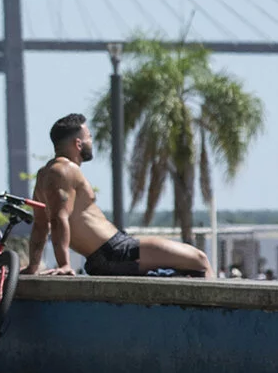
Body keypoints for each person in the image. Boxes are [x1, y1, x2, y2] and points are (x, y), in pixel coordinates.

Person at [24, 113, 210, 277]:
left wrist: (33, 266)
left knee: (188, 271)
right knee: (199, 259)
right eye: (89, 137)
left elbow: (40, 226)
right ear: (78, 144)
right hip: (116, 250)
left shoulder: (43, 175)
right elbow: (58, 218)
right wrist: (64, 264)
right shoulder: (64, 170)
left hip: (104, 255)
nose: (92, 141)